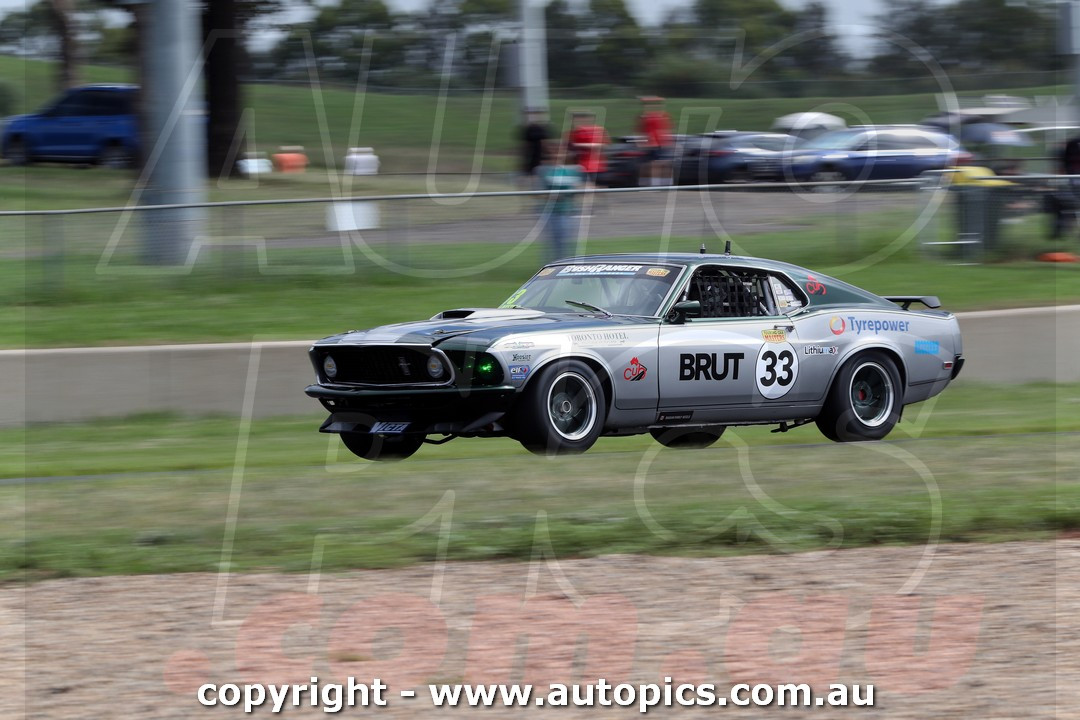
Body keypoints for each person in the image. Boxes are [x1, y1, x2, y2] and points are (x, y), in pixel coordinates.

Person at [537, 141, 584, 262]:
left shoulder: (574, 170)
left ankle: (565, 265)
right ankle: (551, 266)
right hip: (551, 211)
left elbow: (580, 186)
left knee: (566, 240)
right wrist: (552, 196)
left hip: (568, 210)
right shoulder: (543, 170)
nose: (558, 155)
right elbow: (537, 193)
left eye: (561, 151)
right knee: (554, 240)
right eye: (554, 152)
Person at [637, 96, 672, 186]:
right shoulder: (646, 117)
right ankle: (653, 183)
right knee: (652, 164)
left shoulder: (661, 116)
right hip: (653, 143)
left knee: (660, 164)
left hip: (659, 143)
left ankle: (661, 183)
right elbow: (641, 129)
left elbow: (666, 129)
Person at [567, 111, 608, 188]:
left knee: (596, 187)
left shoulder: (597, 130)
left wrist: (579, 145)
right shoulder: (572, 133)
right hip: (578, 166)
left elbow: (602, 145)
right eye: (575, 120)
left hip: (595, 166)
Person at [519, 107, 550, 187]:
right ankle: (528, 188)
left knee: (538, 172)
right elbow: (525, 143)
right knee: (530, 172)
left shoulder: (543, 128)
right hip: (531, 153)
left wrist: (547, 154)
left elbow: (545, 142)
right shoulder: (528, 129)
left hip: (540, 153)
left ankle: (536, 188)